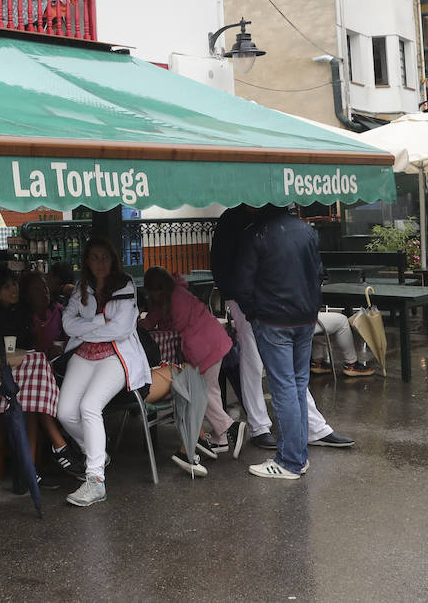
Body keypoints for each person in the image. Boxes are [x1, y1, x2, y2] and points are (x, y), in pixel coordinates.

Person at [212, 206, 355, 457]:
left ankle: (285, 429)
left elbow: (224, 266)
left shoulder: (245, 223)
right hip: (267, 303)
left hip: (264, 303)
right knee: (277, 372)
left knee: (279, 375)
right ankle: (287, 428)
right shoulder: (250, 221)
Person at [231, 205, 330, 479]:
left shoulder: (256, 234)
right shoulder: (306, 230)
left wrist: (254, 313)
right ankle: (298, 457)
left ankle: (289, 461)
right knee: (297, 386)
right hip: (306, 318)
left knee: (284, 387)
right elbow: (320, 273)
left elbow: (242, 284)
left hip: (273, 320)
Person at [57, 237, 150, 506]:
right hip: (83, 354)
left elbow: (121, 330)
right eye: (94, 257)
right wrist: (101, 321)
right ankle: (96, 452)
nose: (100, 262)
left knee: (89, 406)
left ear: (113, 260)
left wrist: (89, 327)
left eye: (105, 257)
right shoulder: (80, 288)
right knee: (64, 411)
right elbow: (68, 326)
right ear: (86, 261)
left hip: (116, 356)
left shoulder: (125, 285)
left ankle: (95, 480)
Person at [0, 268, 80, 482]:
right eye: (7, 287)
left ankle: (30, 467)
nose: (14, 290)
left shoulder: (21, 313)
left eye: (15, 284)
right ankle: (57, 448)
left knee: (32, 399)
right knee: (31, 398)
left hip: (21, 379)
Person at [141, 267, 244, 470]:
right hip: (214, 342)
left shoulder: (176, 299)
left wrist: (149, 322)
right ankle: (221, 438)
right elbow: (158, 315)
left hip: (205, 346)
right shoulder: (177, 293)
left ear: (158, 289)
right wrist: (149, 321)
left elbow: (171, 323)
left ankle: (230, 426)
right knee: (210, 390)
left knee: (198, 393)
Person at [309, 311, 375, 377]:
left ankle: (317, 362)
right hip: (302, 320)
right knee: (342, 321)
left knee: (320, 317)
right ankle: (351, 365)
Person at [20, 271, 64, 356]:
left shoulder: (60, 311)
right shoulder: (23, 318)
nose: (44, 292)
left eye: (45, 287)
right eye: (37, 289)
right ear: (27, 295)